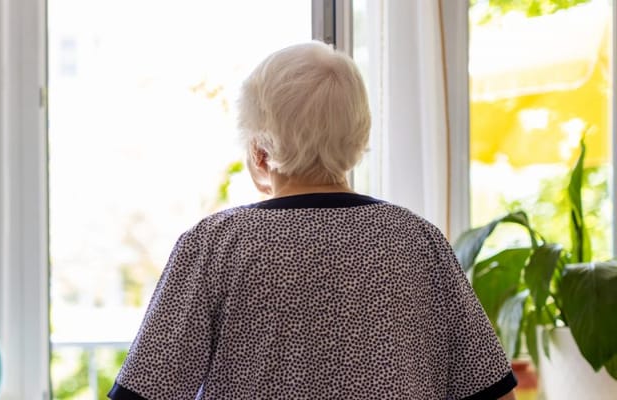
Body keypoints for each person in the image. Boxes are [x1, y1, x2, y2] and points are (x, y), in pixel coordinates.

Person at [107, 41, 517, 400]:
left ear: (260, 151)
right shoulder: (418, 241)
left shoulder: (214, 246)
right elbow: (490, 390)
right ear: (358, 140)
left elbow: (146, 390)